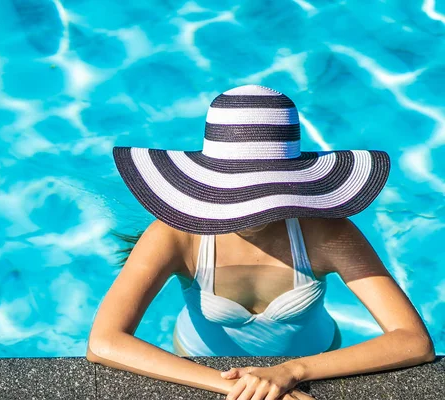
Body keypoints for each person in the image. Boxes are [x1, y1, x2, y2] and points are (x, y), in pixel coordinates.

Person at [86, 85, 436, 400]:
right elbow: (104, 341)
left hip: (314, 360)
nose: (248, 212)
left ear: (289, 183)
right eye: (236, 194)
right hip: (202, 366)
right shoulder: (175, 235)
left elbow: (413, 341)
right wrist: (245, 388)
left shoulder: (328, 234)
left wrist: (291, 372)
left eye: (260, 194)